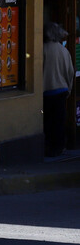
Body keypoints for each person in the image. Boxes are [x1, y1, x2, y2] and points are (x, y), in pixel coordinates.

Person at [43, 21, 74, 157]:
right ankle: (59, 147)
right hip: (61, 90)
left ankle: (49, 147)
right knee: (59, 121)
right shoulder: (64, 51)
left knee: (48, 122)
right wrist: (69, 89)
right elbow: (70, 72)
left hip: (46, 91)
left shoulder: (42, 49)